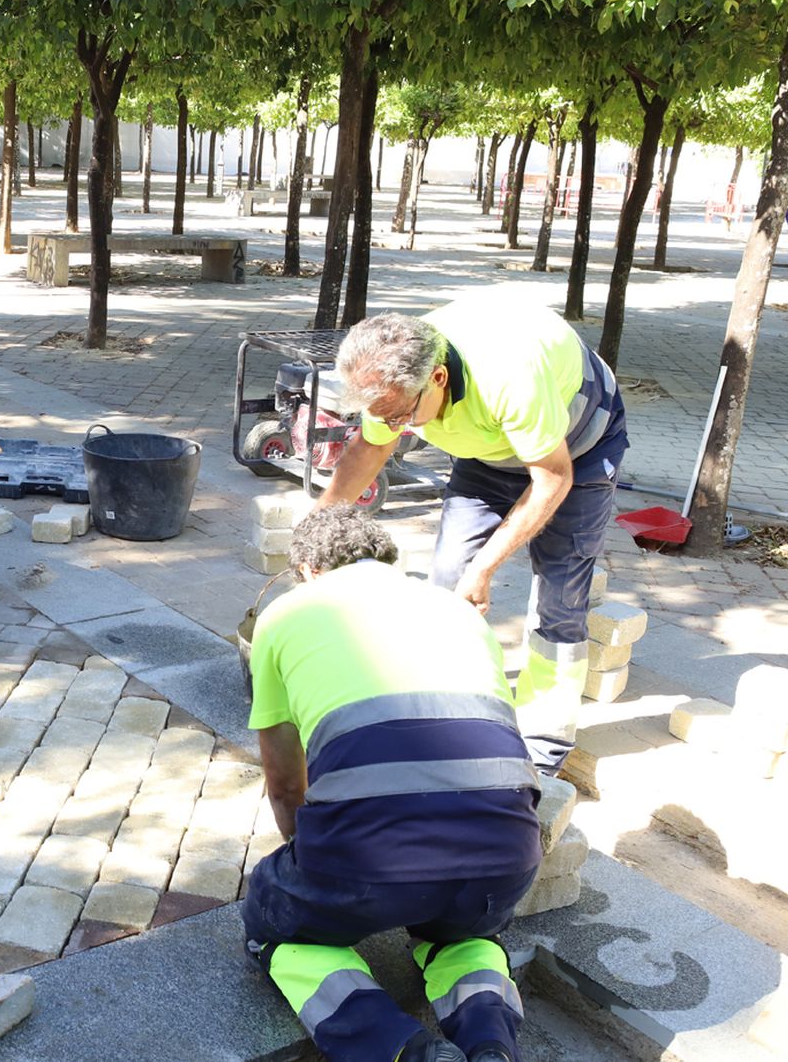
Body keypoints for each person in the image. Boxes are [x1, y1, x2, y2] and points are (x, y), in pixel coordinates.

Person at [243, 506, 541, 1062]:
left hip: (368, 861)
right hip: (504, 857)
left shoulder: (285, 613)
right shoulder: (458, 611)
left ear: (308, 570)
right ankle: (491, 1045)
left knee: (272, 919)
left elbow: (284, 785)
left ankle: (401, 1049)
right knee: (465, 935)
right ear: (386, 559)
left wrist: (318, 872)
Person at [318, 297, 629, 775]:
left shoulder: (511, 377)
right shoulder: (392, 375)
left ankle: (544, 745)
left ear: (438, 378)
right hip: (489, 453)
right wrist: (318, 528)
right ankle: (450, 717)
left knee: (560, 597)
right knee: (448, 582)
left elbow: (552, 479)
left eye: (402, 417)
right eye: (386, 417)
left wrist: (485, 568)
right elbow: (369, 451)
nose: (395, 428)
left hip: (577, 449)